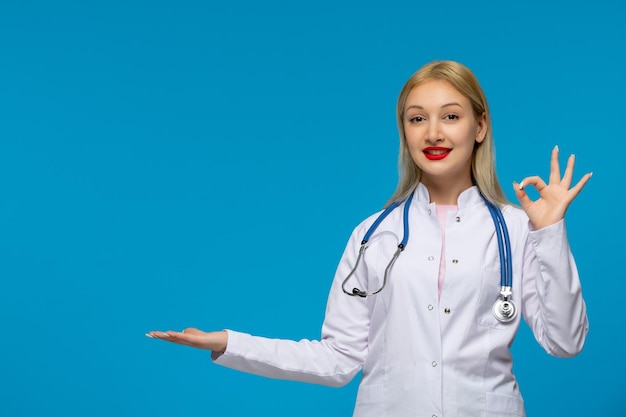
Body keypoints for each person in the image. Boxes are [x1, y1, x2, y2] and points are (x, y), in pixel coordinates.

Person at [146, 60, 591, 417]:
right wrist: (230, 342)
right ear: (405, 131)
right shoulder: (373, 234)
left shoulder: (516, 229)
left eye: (450, 116)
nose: (433, 133)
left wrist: (549, 231)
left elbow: (565, 341)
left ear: (479, 127)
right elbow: (339, 358)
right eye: (418, 119)